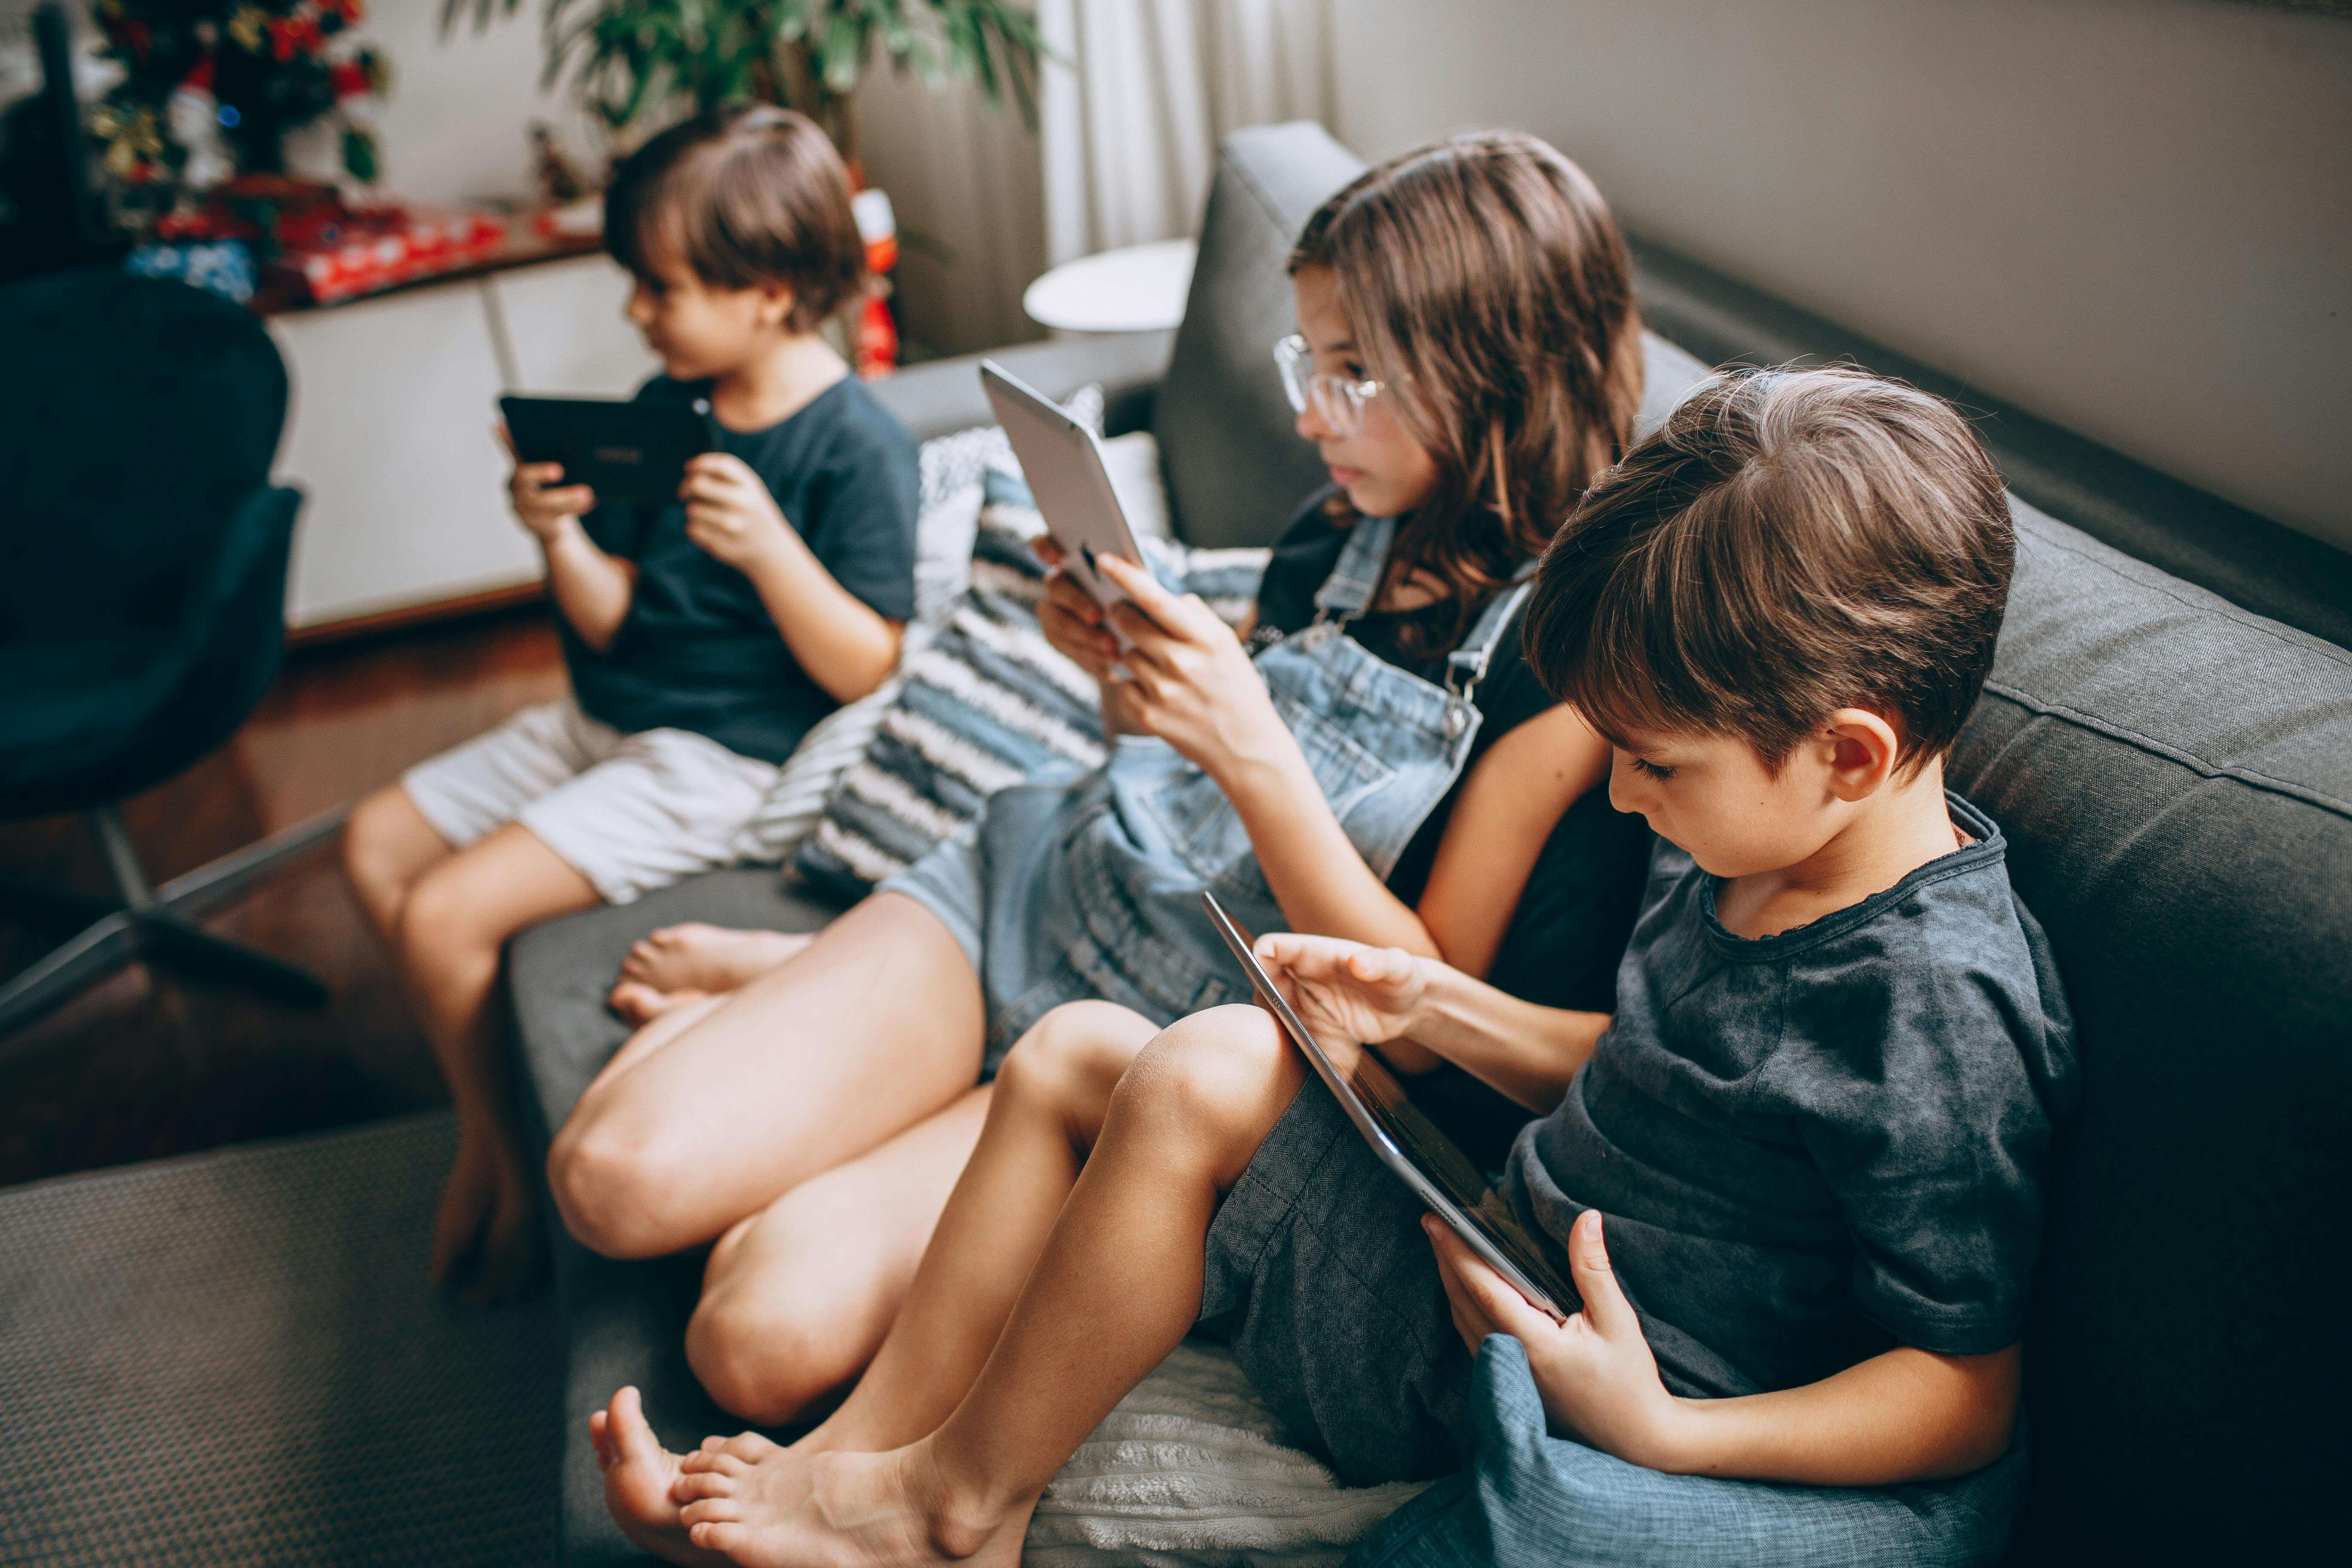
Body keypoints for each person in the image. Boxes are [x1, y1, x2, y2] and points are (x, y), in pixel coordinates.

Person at [592, 365, 2079, 1568]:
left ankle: (951, 1512)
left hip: (1548, 1382)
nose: (1623, 800)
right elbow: (1643, 1071)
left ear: (1854, 751)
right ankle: (854, 1462)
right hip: (1493, 1243)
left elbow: (1966, 1388)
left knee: (1200, 1068)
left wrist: (1673, 1436)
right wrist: (1438, 1004)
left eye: (1653, 768)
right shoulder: (1767, 843)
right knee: (1075, 1054)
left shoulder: (1935, 1009)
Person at [543, 132, 1656, 1446]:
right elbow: (1175, 775)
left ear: (1498, 368)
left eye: (1352, 373)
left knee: (754, 1340)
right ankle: (820, 1005)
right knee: (607, 1180)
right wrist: (1129, 680)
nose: (1310, 415)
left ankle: (815, 1017)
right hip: (1050, 885)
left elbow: (1415, 1018)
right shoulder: (1344, 532)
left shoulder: (1563, 670)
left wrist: (1250, 748)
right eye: (1311, 364)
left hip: (1148, 1027)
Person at [340, 106, 919, 1305]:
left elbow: (867, 667)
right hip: (611, 714)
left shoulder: (855, 445)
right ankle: (493, 1112)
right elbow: (611, 619)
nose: (636, 313)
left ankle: (490, 1159)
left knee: (445, 915)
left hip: (720, 754)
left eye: (659, 288)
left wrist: (771, 554)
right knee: (376, 840)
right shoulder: (672, 404)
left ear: (766, 292)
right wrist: (558, 539)